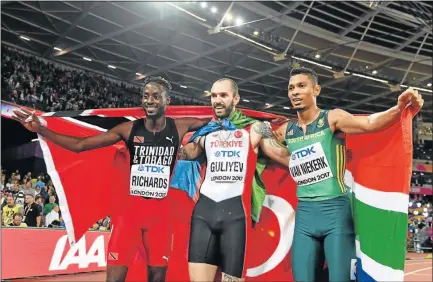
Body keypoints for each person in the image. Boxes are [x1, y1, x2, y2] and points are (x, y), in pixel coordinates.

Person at [13, 76, 211, 282]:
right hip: (129, 216)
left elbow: (215, 122)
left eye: (155, 96)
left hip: (160, 218)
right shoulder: (128, 129)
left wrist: (236, 112)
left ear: (167, 101)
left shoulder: (180, 127)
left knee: (157, 278)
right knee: (114, 278)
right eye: (145, 96)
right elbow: (81, 145)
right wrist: (41, 129)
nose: (149, 100)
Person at [272, 67, 424, 282]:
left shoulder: (332, 119)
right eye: (291, 88)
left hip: (336, 214)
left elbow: (370, 123)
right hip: (304, 215)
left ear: (316, 89)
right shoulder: (286, 130)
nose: (295, 92)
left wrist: (398, 109)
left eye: (301, 86)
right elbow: (267, 145)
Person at [178, 78, 290, 282]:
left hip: (236, 218)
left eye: (223, 95)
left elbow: (283, 156)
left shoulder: (254, 129)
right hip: (203, 215)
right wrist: (167, 136)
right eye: (213, 96)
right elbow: (183, 154)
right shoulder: (206, 131)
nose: (217, 100)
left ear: (236, 98)